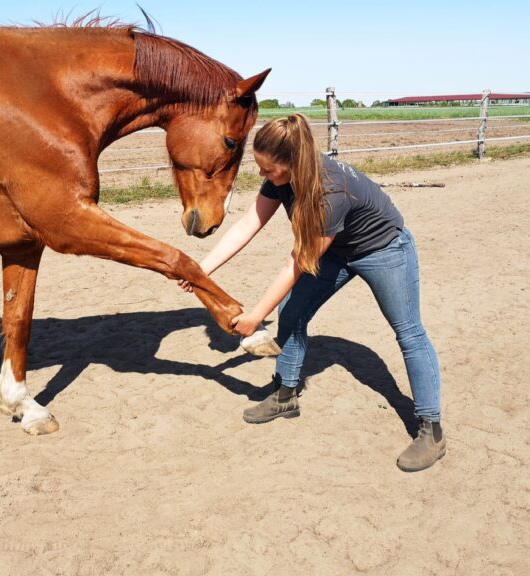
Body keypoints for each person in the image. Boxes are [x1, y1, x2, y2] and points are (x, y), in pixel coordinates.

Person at [180, 114, 445, 472]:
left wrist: (256, 315)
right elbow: (249, 223)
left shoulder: (330, 192)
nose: (263, 176)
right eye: (259, 168)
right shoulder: (282, 175)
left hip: (384, 250)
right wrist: (202, 270)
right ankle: (286, 395)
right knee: (292, 313)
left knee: (409, 332)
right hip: (337, 252)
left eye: (268, 170)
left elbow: (298, 262)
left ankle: (432, 429)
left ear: (293, 163)